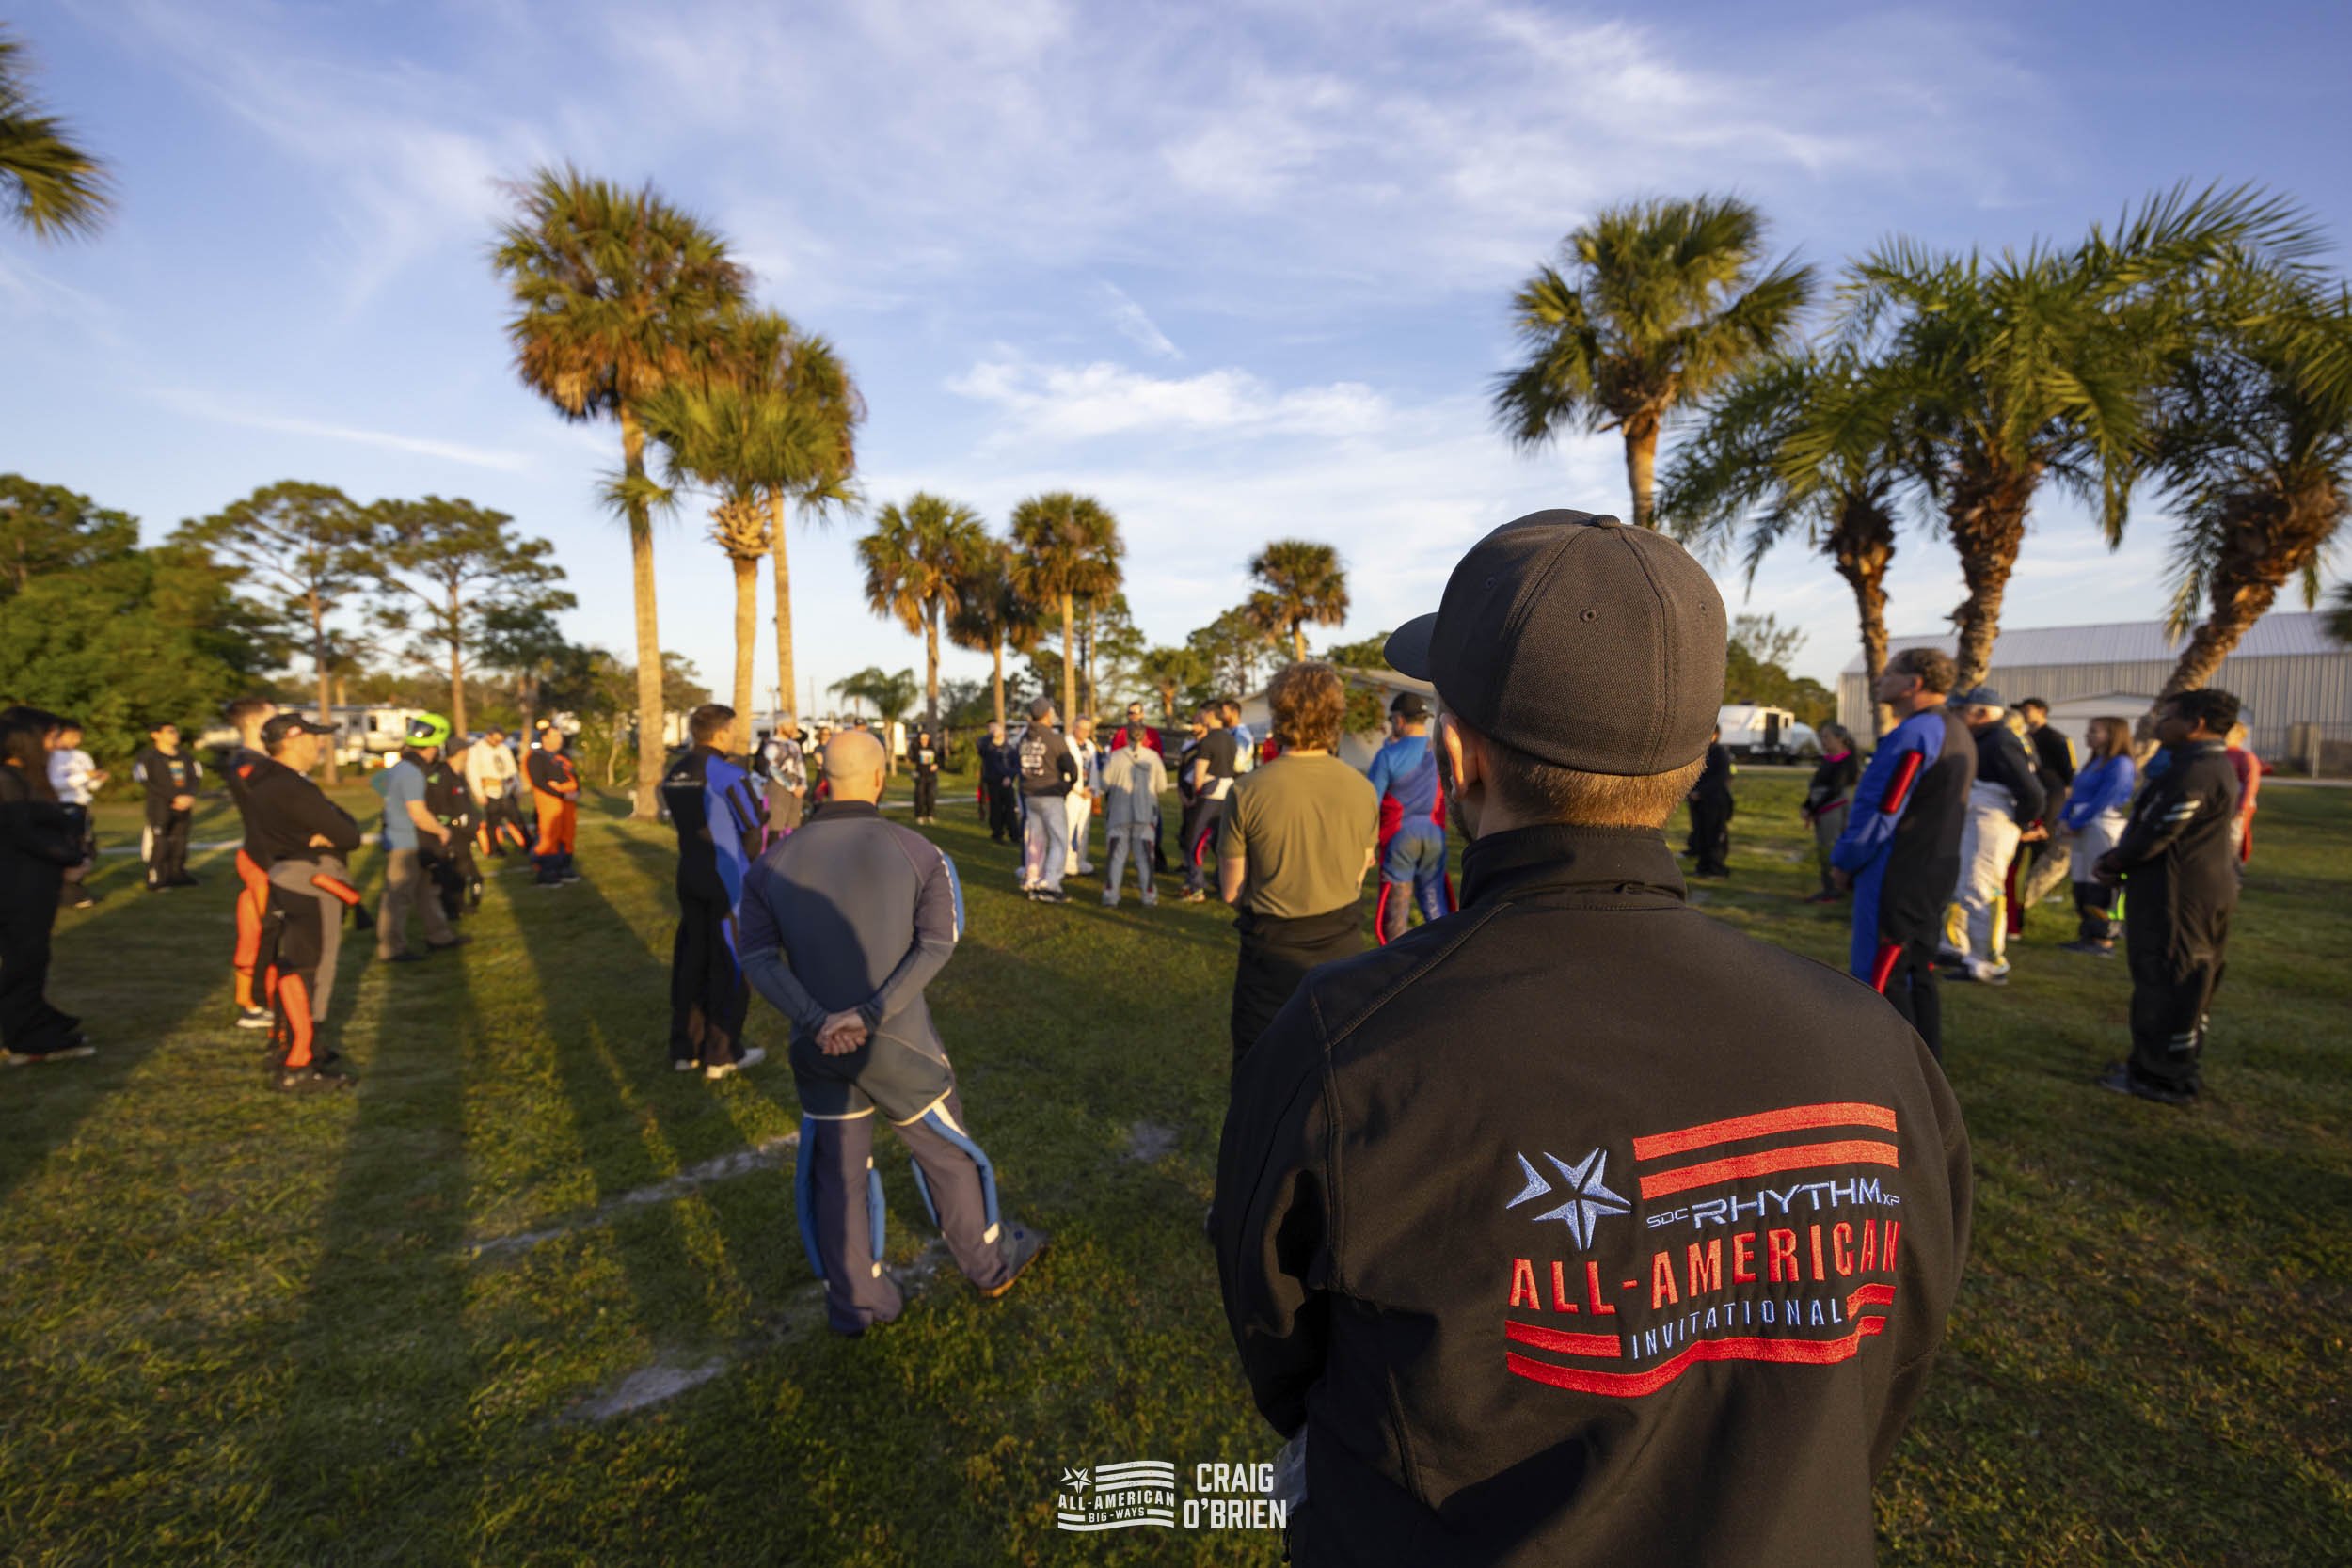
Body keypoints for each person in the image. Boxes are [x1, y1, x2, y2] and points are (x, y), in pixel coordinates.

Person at [1213, 510, 1971, 1567]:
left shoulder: (1352, 1041)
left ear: (1456, 751)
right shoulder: (1873, 1047)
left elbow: (1279, 1350)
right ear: (1696, 757)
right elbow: (1890, 1355)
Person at [737, 729, 1050, 1335]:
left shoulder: (771, 862)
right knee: (948, 1156)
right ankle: (988, 1264)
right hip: (899, 1045)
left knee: (837, 1172)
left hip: (819, 1048)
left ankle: (858, 1299)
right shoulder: (919, 851)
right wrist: (871, 1014)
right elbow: (939, 942)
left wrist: (818, 1020)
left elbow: (755, 958)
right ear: (882, 777)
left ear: (822, 779)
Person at [1216, 661, 1377, 1061]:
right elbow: (1359, 874)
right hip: (1342, 954)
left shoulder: (1247, 791)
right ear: (1335, 715)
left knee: (1260, 1076)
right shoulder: (1362, 788)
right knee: (1334, 1072)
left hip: (1270, 959)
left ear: (1278, 713)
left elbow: (1230, 891)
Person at [2093, 689, 2243, 1106]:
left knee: (2174, 980)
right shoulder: (2195, 765)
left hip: (2181, 896)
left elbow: (2160, 831)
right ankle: (2149, 1062)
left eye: (2169, 717)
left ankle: (2164, 1075)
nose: (2160, 724)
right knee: (2162, 978)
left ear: (2195, 724)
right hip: (2177, 890)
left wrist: (2116, 860)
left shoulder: (2198, 771)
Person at [1830, 647, 1976, 1060]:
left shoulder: (1916, 733)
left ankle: (1885, 1070)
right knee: (1916, 969)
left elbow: (1882, 808)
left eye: (1890, 673)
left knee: (1882, 972)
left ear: (1914, 683)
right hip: (1934, 869)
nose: (1880, 679)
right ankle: (1926, 1065)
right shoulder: (1955, 729)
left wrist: (1844, 860)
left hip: (1899, 871)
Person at [245, 714, 366, 1091]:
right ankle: (301, 1060)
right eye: (314, 738)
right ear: (294, 739)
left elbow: (339, 825)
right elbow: (347, 833)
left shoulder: (268, 780)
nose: (319, 745)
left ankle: (290, 1045)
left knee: (294, 963)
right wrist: (328, 831)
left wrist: (331, 827)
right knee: (313, 970)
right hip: (311, 879)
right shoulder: (289, 786)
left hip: (288, 874)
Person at [660, 704, 770, 1079]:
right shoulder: (726, 773)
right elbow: (753, 827)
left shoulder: (675, 771)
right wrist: (753, 869)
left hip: (689, 872)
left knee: (692, 959)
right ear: (722, 733)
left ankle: (685, 1048)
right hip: (726, 879)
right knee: (729, 962)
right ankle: (722, 1054)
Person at [0, 706, 94, 1065]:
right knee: (24, 959)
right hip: (18, 886)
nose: (56, 746)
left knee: (31, 959)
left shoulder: (22, 779)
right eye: (51, 738)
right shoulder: (8, 780)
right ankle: (27, 1036)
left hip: (32, 883)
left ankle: (31, 1022)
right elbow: (24, 833)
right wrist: (70, 858)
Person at [1940, 688, 2045, 986]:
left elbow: (2033, 792)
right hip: (1980, 816)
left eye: (1961, 711)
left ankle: (1988, 962)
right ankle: (1960, 948)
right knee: (1966, 885)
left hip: (1992, 819)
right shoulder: (1987, 738)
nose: (1956, 717)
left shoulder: (2000, 740)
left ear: (1983, 712)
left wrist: (2020, 823)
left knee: (1981, 888)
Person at [371, 715, 468, 962]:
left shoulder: (399, 768)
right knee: (398, 897)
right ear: (434, 746)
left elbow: (377, 783)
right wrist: (441, 830)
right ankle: (392, 948)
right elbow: (418, 813)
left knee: (427, 891)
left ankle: (439, 936)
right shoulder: (413, 773)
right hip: (407, 844)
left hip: (411, 841)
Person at [1364, 691, 1453, 943]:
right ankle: (1444, 956)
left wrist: (1368, 846)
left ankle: (1396, 968)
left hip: (1401, 837)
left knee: (1396, 912)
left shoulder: (1387, 756)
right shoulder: (1440, 751)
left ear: (1400, 720)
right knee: (1435, 905)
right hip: (1434, 834)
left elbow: (1371, 802)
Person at [221, 696, 281, 1029]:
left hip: (265, 854)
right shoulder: (249, 764)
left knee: (266, 927)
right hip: (262, 856)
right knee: (262, 929)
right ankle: (254, 1002)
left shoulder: (258, 761)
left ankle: (261, 996)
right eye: (273, 717)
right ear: (256, 722)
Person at [2058, 717, 2137, 956]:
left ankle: (2104, 935)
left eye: (2094, 731)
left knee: (2099, 880)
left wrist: (2076, 822)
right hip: (2081, 824)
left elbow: (2105, 798)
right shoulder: (2095, 763)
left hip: (2101, 824)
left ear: (2112, 735)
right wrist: (2063, 818)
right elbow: (2074, 794)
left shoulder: (2120, 764)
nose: (2087, 735)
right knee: (2081, 878)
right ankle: (2087, 930)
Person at [2014, 698, 2077, 910]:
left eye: (2028, 709)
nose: (2024, 713)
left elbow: (2069, 771)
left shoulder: (2056, 738)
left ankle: (2032, 897)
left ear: (2042, 712)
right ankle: (2017, 899)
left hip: (2051, 796)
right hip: (2030, 795)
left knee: (2042, 846)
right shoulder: (2023, 738)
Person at [418, 719, 483, 920]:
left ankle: (460, 905)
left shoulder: (459, 775)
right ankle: (452, 909)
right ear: (460, 752)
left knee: (468, 873)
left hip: (464, 832)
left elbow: (465, 802)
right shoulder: (442, 775)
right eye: (466, 751)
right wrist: (450, 825)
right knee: (453, 874)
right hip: (451, 832)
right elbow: (440, 804)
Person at [1016, 697, 1079, 902]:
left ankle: (1033, 879)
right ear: (1046, 714)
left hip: (1030, 795)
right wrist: (1068, 786)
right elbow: (1071, 768)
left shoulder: (1024, 739)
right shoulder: (1054, 739)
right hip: (1050, 794)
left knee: (1035, 840)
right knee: (1059, 840)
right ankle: (1051, 884)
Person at [1098, 721, 1168, 908]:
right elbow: (1161, 786)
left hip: (1118, 814)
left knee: (1116, 856)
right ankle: (1149, 896)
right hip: (1145, 815)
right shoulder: (1153, 758)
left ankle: (1111, 895)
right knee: (1145, 858)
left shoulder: (1115, 757)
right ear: (1145, 737)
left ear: (1126, 736)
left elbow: (1104, 784)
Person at [130, 720, 202, 892]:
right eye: (170, 731)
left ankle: (177, 874)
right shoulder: (147, 757)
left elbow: (196, 776)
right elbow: (145, 781)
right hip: (160, 805)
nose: (175, 734)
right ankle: (156, 877)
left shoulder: (186, 756)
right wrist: (173, 797)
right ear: (155, 735)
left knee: (180, 840)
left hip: (184, 805)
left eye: (175, 731)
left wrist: (189, 795)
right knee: (160, 841)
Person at [1180, 703, 1240, 901]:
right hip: (1227, 794)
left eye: (1204, 713)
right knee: (1219, 841)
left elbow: (1199, 775)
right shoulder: (1231, 739)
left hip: (1209, 795)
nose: (1201, 717)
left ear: (1211, 715)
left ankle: (1196, 886)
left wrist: (1193, 796)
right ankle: (1222, 881)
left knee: (1194, 840)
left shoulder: (1207, 741)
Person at [43, 718, 103, 910]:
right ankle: (69, 893)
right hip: (61, 806)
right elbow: (53, 784)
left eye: (79, 737)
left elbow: (91, 786)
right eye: (72, 736)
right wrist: (83, 777)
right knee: (68, 849)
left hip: (82, 806)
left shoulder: (82, 756)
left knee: (87, 850)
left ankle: (73, 888)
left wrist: (98, 779)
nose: (76, 741)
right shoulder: (51, 757)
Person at [1802, 723, 1861, 903]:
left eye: (1827, 737)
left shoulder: (1847, 761)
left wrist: (1813, 807)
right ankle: (1830, 886)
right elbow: (1816, 784)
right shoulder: (1828, 759)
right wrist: (1807, 805)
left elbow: (1835, 788)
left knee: (1830, 848)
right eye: (1822, 738)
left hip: (1833, 809)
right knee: (1824, 847)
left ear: (1840, 739)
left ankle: (1834, 889)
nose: (1823, 741)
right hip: (1821, 807)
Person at [1108, 700, 1168, 871]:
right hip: (1125, 787)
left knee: (1153, 824)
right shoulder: (1121, 734)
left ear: (1142, 714)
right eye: (1130, 713)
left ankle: (1155, 856)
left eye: (1136, 712)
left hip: (1146, 786)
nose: (1133, 716)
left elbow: (1158, 757)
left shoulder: (1152, 734)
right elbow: (1114, 758)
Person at [526, 725, 582, 886]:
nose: (559, 740)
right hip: (551, 802)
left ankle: (564, 867)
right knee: (550, 835)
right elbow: (539, 781)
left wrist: (577, 790)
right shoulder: (537, 757)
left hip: (568, 802)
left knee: (568, 834)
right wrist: (561, 793)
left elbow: (574, 776)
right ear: (545, 738)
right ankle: (546, 870)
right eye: (555, 736)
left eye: (560, 736)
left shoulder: (562, 757)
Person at [464, 725, 527, 857]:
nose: (497, 743)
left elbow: (512, 769)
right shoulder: (476, 750)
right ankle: (494, 848)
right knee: (492, 823)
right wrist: (479, 793)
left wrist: (517, 787)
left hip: (507, 790)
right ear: (488, 735)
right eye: (495, 740)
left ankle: (528, 843)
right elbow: (473, 773)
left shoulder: (503, 749)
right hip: (490, 791)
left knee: (517, 818)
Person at [1684, 724, 1735, 878]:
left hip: (1715, 802)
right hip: (1699, 803)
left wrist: (1701, 792)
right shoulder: (1701, 753)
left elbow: (1721, 778)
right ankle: (1703, 866)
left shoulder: (1720, 753)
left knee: (1714, 835)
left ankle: (1716, 867)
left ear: (1715, 735)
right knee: (1702, 835)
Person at [1062, 716, 1101, 876]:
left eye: (1088, 730)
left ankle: (1081, 860)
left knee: (1084, 828)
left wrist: (1093, 790)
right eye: (1082, 729)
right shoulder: (1066, 744)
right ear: (1074, 727)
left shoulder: (1090, 746)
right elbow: (1064, 770)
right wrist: (1077, 789)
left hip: (1088, 792)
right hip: (1073, 792)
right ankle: (1067, 863)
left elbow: (1094, 769)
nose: (1085, 732)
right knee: (1069, 827)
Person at [2223, 720, 2261, 872]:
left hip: (2237, 804)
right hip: (2221, 803)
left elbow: (2251, 783)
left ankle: (2235, 867)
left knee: (2235, 836)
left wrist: (2242, 807)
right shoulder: (2217, 754)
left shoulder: (2245, 757)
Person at [761, 726, 809, 839]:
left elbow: (800, 765)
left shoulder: (794, 745)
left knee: (794, 823)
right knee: (777, 824)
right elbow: (773, 769)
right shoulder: (772, 745)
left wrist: (803, 785)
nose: (793, 727)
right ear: (780, 726)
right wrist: (791, 787)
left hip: (796, 785)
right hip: (779, 787)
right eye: (789, 724)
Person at [979, 721, 1021, 844]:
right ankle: (997, 833)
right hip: (994, 782)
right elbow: (981, 746)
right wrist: (992, 735)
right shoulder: (988, 748)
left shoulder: (1010, 749)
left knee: (1010, 809)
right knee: (996, 809)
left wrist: (1010, 777)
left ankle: (1014, 835)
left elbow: (1016, 765)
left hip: (1007, 783)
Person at [909, 724, 943, 825]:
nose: (924, 740)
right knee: (920, 796)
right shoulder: (916, 749)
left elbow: (937, 760)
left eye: (926, 738)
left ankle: (930, 815)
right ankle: (919, 815)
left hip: (931, 776)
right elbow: (911, 757)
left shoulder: (932, 749)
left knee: (931, 796)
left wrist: (936, 765)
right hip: (920, 776)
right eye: (922, 738)